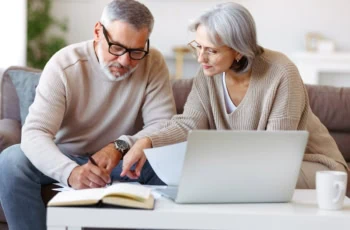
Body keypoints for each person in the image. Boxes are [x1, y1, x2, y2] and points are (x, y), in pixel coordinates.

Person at [121, 2, 348, 188]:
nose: (200, 58)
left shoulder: (281, 73)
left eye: (211, 50)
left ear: (238, 49)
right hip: (253, 170)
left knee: (222, 181)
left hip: (312, 167)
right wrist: (147, 142)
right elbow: (188, 124)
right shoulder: (208, 74)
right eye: (198, 46)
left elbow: (276, 151)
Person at [0, 0, 175, 229]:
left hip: (124, 162)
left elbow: (163, 126)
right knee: (11, 161)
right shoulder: (64, 65)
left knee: (170, 163)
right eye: (117, 47)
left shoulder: (152, 62)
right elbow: (36, 132)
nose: (125, 61)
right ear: (97, 32)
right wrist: (70, 172)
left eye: (136, 51)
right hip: (68, 157)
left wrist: (120, 146)